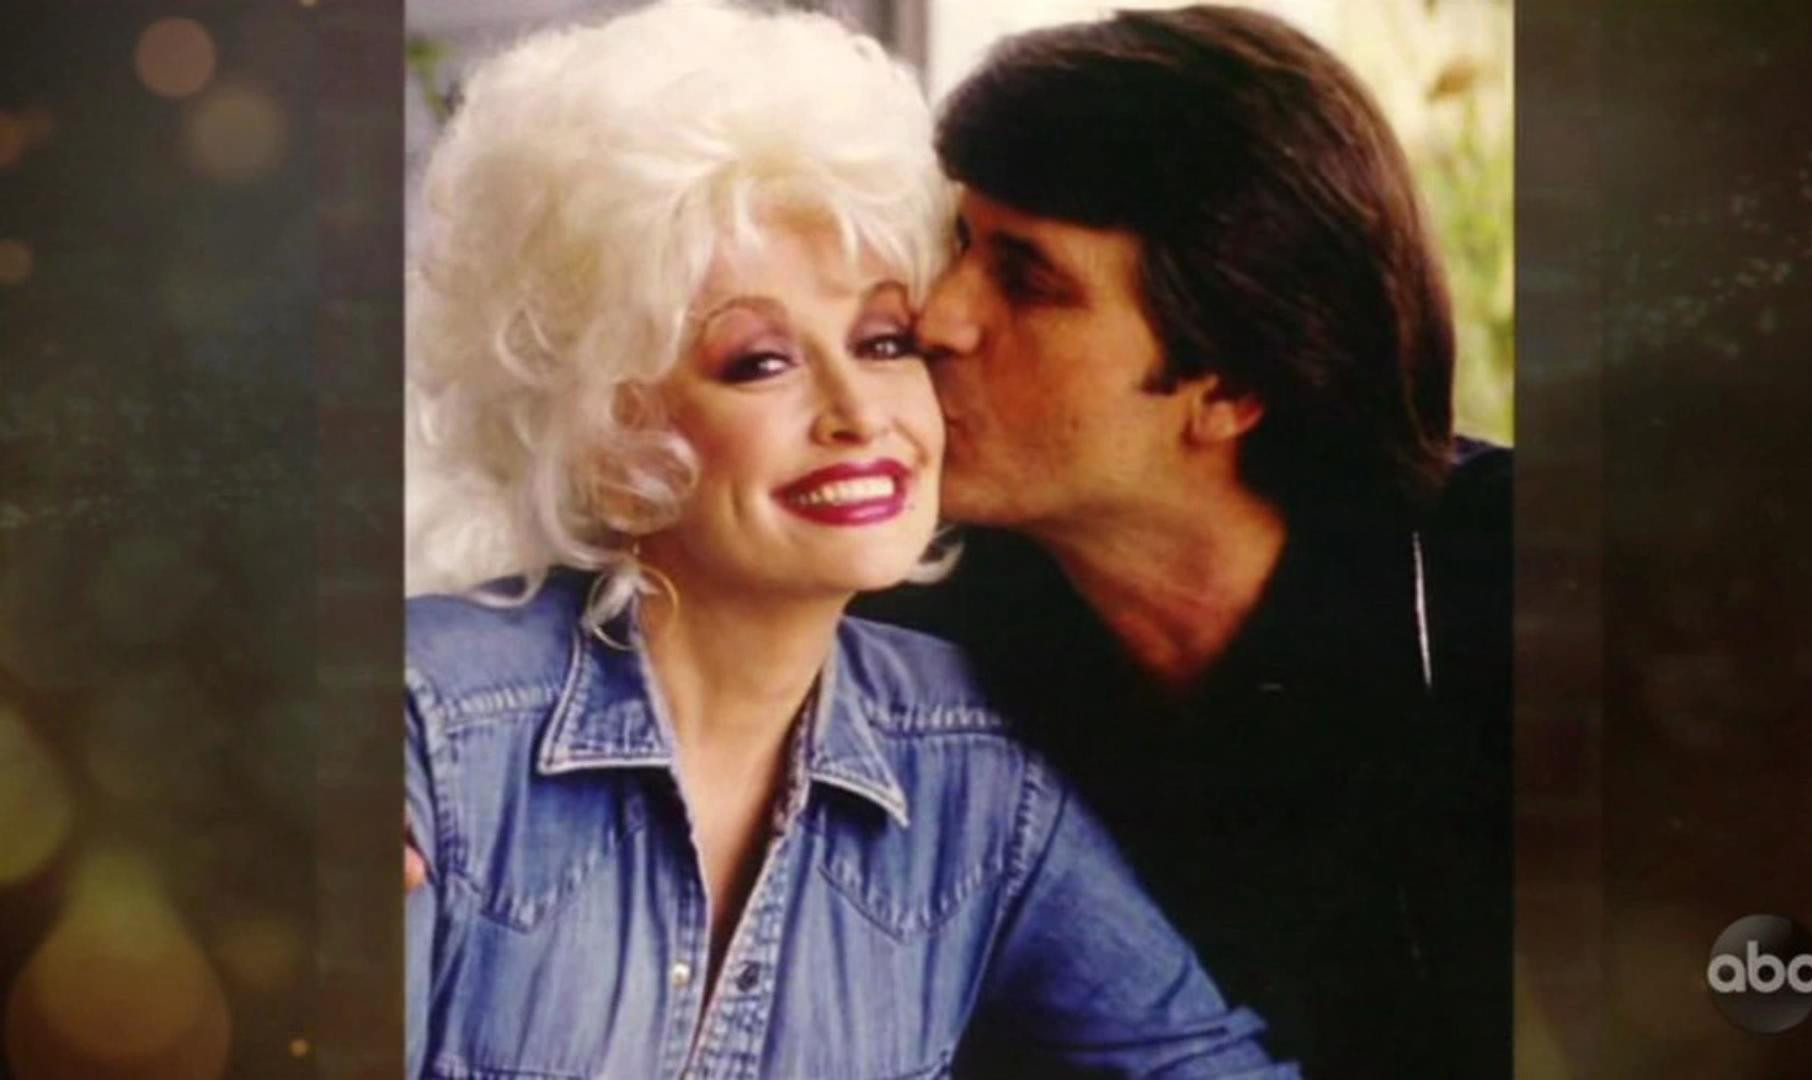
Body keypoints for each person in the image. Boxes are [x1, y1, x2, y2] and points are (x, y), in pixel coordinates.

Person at [401, 4, 1294, 1079]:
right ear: (611, 438)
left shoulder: (973, 767)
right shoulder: (429, 728)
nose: (860, 413)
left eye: (882, 342)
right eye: (761, 362)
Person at [854, 6, 1513, 1077]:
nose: (939, 318)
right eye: (960, 245)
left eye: (1027, 279)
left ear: (1230, 385)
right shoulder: (908, 630)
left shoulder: (1517, 591)